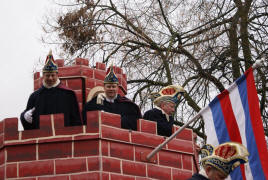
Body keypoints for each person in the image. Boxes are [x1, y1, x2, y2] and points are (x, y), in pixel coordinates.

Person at [20, 51, 82, 130]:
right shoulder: (34, 97)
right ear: (43, 75)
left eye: (53, 75)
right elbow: (28, 121)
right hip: (40, 139)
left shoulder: (69, 95)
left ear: (57, 75)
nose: (50, 78)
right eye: (47, 75)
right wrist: (24, 117)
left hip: (64, 138)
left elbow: (76, 122)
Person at [82, 65, 141, 130]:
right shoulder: (93, 104)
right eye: (108, 86)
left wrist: (115, 120)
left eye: (113, 87)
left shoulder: (128, 106)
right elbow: (85, 121)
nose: (111, 89)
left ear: (117, 87)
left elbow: (136, 123)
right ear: (104, 87)